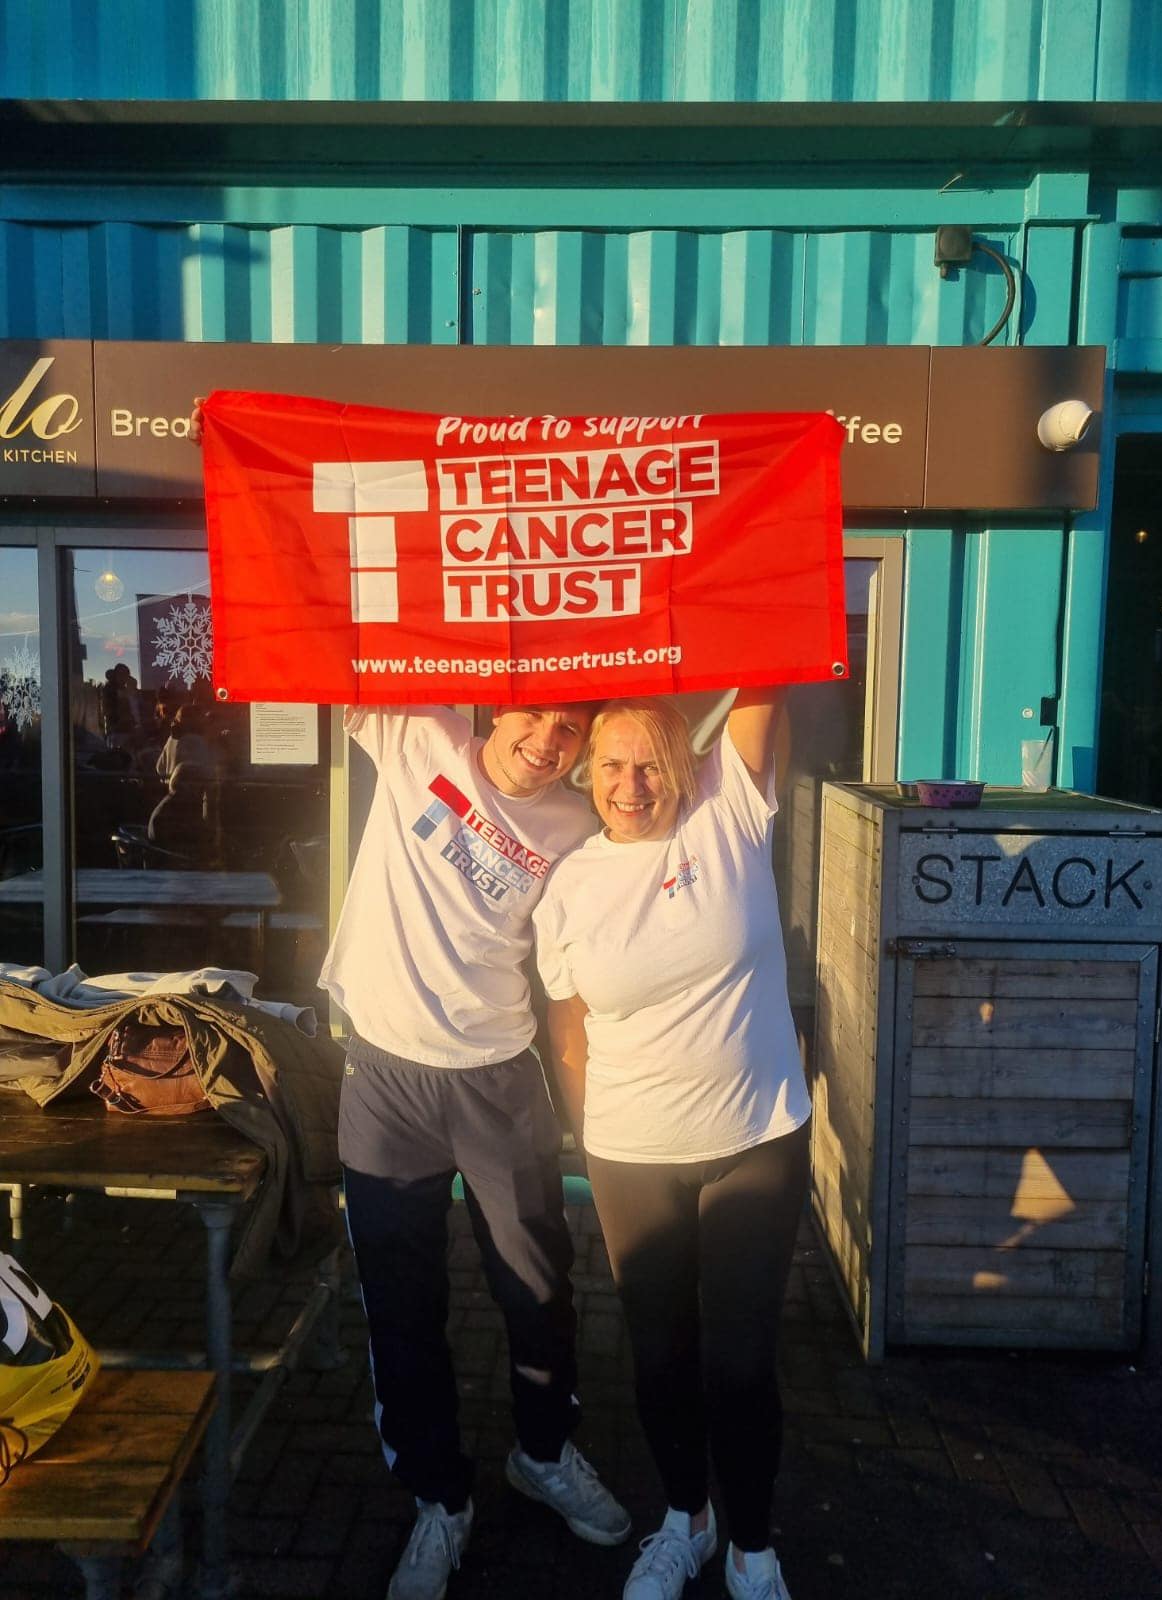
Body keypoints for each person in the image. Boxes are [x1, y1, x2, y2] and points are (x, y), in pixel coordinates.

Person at [188, 399, 629, 1599]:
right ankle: (439, 1496)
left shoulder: (584, 815)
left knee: (538, 1285)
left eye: (571, 725)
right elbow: (320, 611)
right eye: (536, 712)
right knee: (403, 1302)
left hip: (499, 1076)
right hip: (382, 1072)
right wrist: (256, 473)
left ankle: (544, 1453)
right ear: (498, 704)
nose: (548, 739)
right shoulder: (414, 723)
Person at [534, 693, 809, 1600]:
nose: (630, 785)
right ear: (587, 774)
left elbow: (765, 677)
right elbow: (566, 1032)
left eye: (650, 763)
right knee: (659, 1357)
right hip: (631, 1152)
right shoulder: (570, 884)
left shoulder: (729, 808)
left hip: (755, 1135)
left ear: (683, 765)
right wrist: (594, 1133)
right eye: (610, 766)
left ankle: (752, 1548)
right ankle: (686, 1520)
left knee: (737, 1360)